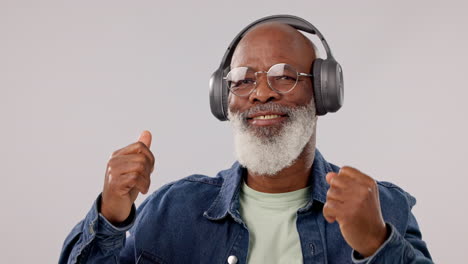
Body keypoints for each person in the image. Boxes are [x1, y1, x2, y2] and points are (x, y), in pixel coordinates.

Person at [59, 15, 433, 264]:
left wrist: (376, 245)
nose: (260, 94)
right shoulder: (173, 211)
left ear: (324, 91)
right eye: (243, 79)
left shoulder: (383, 207)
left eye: (284, 75)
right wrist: (109, 215)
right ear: (224, 99)